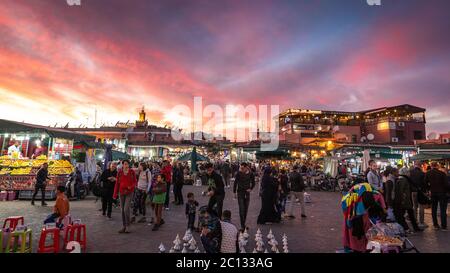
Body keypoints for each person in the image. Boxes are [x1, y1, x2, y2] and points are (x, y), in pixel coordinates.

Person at [393, 168, 422, 233]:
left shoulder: (403, 179)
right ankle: (407, 228)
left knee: (410, 215)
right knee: (403, 215)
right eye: (408, 172)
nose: (409, 173)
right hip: (405, 201)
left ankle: (414, 227)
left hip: (406, 201)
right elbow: (401, 191)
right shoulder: (403, 179)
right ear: (405, 173)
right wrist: (402, 200)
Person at [113, 160, 137, 234]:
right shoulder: (119, 172)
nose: (126, 166)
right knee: (122, 210)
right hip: (121, 193)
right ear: (122, 165)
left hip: (129, 193)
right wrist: (115, 194)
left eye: (127, 164)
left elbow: (135, 182)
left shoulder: (132, 172)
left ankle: (128, 226)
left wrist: (131, 186)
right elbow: (117, 183)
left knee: (126, 209)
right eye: (125, 164)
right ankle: (124, 226)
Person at [425, 162, 448, 230]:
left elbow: (425, 183)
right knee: (443, 209)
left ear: (431, 166)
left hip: (433, 193)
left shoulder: (428, 173)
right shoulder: (442, 173)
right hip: (442, 193)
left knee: (434, 209)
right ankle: (443, 226)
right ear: (437, 166)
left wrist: (429, 189)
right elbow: (446, 184)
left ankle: (435, 225)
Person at [233, 163, 255, 230]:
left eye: (242, 168)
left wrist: (250, 189)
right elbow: (235, 183)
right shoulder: (238, 173)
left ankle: (243, 224)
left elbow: (253, 182)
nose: (241, 169)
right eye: (241, 168)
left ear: (246, 167)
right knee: (241, 210)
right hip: (240, 193)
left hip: (247, 194)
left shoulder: (251, 174)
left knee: (245, 210)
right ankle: (242, 226)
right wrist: (234, 192)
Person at [409, 161, 427, 228]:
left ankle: (415, 220)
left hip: (412, 191)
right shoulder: (422, 173)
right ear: (420, 165)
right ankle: (421, 222)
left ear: (415, 165)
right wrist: (425, 192)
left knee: (414, 206)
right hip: (420, 191)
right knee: (421, 206)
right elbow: (424, 183)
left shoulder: (410, 172)